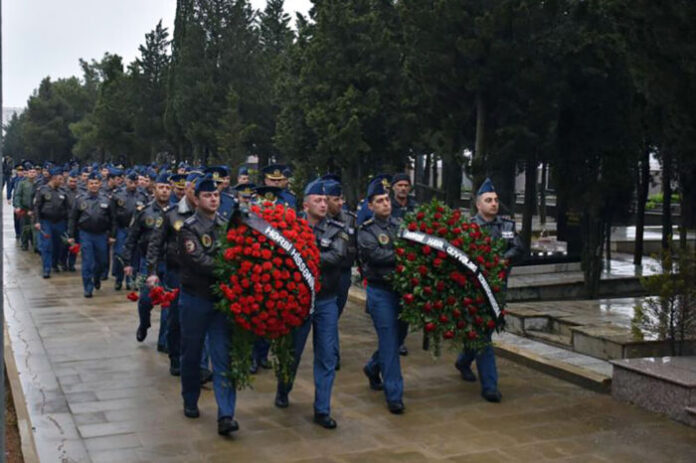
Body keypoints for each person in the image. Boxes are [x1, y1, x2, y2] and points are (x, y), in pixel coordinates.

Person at [274, 179, 346, 429]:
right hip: (300, 299)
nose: (324, 204)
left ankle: (322, 409)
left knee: (326, 354)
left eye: (326, 200)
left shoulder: (336, 228)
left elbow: (338, 256)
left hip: (326, 299)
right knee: (292, 352)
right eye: (318, 200)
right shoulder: (292, 228)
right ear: (305, 204)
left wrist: (305, 254)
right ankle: (284, 387)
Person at [454, 177, 525, 403]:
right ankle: (490, 386)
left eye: (495, 200)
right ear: (478, 204)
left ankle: (464, 360)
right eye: (488, 200)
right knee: (483, 334)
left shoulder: (506, 226)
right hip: (474, 291)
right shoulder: (468, 228)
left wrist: (500, 261)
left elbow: (518, 247)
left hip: (497, 289)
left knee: (483, 331)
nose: (494, 203)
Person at [178, 175, 238, 436]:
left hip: (220, 301)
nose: (214, 199)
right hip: (195, 299)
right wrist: (228, 268)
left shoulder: (226, 225)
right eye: (208, 196)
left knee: (223, 357)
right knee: (191, 354)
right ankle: (190, 399)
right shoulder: (188, 228)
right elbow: (198, 260)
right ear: (197, 199)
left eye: (216, 195)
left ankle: (226, 414)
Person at [358, 175, 406, 414]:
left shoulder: (400, 226)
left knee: (399, 338)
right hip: (380, 293)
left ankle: (372, 366)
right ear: (371, 206)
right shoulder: (366, 230)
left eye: (387, 199)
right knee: (389, 342)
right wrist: (403, 254)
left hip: (402, 291)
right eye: (380, 200)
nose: (386, 204)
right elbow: (375, 256)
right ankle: (394, 393)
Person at [146, 171, 202, 377]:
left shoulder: (209, 214)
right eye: (194, 189)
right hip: (176, 273)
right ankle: (175, 357)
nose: (198, 194)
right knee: (175, 319)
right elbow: (155, 244)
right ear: (186, 189)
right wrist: (152, 272)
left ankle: (199, 363)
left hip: (202, 276)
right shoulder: (171, 213)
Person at [122, 173, 172, 348]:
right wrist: (128, 262)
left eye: (167, 188)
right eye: (161, 187)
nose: (164, 191)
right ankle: (144, 324)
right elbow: (132, 238)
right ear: (154, 188)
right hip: (148, 263)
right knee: (145, 300)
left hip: (170, 262)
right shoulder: (144, 211)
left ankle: (164, 341)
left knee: (168, 302)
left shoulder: (175, 212)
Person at [321, 175, 357, 371]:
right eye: (337, 199)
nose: (341, 203)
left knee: (336, 313)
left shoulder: (350, 219)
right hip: (325, 273)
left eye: (342, 199)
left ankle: (330, 349)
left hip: (343, 274)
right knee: (329, 313)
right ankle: (332, 354)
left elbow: (356, 245)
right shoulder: (319, 220)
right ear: (326, 200)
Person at [67, 172, 115, 298]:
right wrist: (71, 235)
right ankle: (87, 287)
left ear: (100, 184)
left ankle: (97, 278)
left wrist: (112, 235)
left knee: (102, 261)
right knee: (87, 261)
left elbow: (113, 219)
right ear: (87, 185)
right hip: (86, 234)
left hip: (101, 234)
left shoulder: (106, 199)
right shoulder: (80, 199)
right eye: (91, 183)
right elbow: (73, 218)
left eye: (96, 183)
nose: (94, 186)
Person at [33, 167, 70, 278]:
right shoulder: (42, 190)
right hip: (46, 222)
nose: (62, 181)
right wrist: (37, 221)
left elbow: (68, 208)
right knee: (47, 246)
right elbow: (37, 207)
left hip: (60, 222)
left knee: (59, 245)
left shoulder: (63, 191)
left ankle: (54, 264)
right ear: (53, 178)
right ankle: (46, 269)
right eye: (60, 179)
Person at [111, 172, 146, 290]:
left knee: (135, 255)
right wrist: (112, 234)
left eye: (135, 183)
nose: (133, 185)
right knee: (120, 255)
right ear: (126, 181)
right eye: (130, 183)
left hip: (136, 231)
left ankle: (132, 279)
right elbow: (112, 216)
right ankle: (119, 279)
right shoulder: (117, 195)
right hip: (122, 229)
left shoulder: (142, 195)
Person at [13, 164, 39, 251]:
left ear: (36, 173)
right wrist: (18, 206)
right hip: (24, 209)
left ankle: (36, 246)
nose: (32, 173)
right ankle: (24, 244)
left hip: (35, 211)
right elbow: (17, 195)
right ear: (27, 173)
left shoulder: (39, 184)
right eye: (30, 172)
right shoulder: (22, 184)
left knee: (35, 229)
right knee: (25, 228)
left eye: (33, 172)